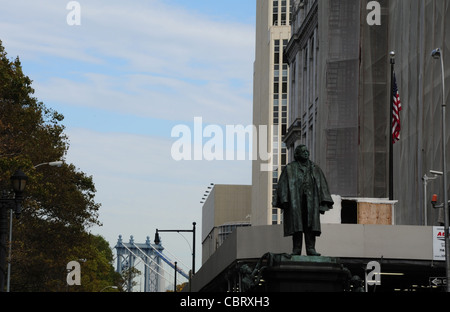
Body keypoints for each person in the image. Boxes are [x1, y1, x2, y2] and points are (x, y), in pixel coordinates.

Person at [273, 145, 334, 256]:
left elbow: (323, 187)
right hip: (295, 201)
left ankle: (311, 249)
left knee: (310, 225)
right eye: (303, 151)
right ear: (297, 154)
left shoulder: (315, 168)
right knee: (297, 226)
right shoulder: (290, 168)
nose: (306, 153)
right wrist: (284, 200)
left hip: (311, 201)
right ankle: (296, 249)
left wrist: (322, 203)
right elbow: (282, 186)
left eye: (307, 151)